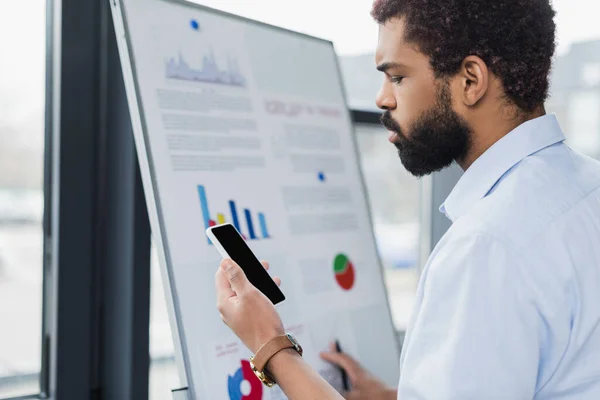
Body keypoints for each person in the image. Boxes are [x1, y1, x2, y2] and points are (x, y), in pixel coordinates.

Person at [215, 0, 600, 398]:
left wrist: (270, 344)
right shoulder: (589, 186)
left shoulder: (487, 247)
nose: (383, 98)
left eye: (397, 77)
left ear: (471, 80)